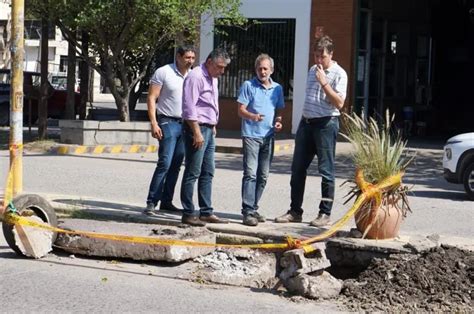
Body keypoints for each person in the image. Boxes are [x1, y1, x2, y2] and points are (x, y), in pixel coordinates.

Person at [275, 35, 348, 227]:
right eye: (315, 56)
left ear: (331, 54)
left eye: (321, 57)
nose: (318, 61)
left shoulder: (340, 74)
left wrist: (324, 82)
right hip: (306, 124)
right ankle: (295, 211)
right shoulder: (312, 70)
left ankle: (325, 213)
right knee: (297, 168)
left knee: (326, 170)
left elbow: (339, 103)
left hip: (325, 125)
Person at [180, 48, 231, 226]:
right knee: (193, 171)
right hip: (197, 128)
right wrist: (196, 132)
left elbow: (210, 103)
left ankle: (206, 211)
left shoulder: (213, 78)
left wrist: (213, 125)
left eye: (224, 68)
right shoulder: (195, 77)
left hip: (209, 128)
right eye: (219, 67)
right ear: (209, 62)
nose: (222, 71)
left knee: (208, 171)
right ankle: (188, 212)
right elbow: (189, 108)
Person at [143, 45, 196, 215]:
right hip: (168, 122)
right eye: (187, 58)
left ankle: (166, 201)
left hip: (186, 124)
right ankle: (152, 201)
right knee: (165, 162)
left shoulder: (193, 75)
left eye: (193, 58)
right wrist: (154, 123)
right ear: (179, 57)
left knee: (176, 164)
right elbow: (152, 97)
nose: (190, 61)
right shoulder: (163, 72)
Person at [237, 54, 284, 226]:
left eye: (265, 68)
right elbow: (240, 110)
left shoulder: (277, 89)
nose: (262, 72)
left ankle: (254, 207)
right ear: (255, 69)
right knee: (250, 173)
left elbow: (279, 109)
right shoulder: (248, 85)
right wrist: (252, 116)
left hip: (268, 136)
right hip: (251, 134)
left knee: (263, 175)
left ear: (271, 70)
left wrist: (278, 122)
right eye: (259, 68)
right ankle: (247, 211)